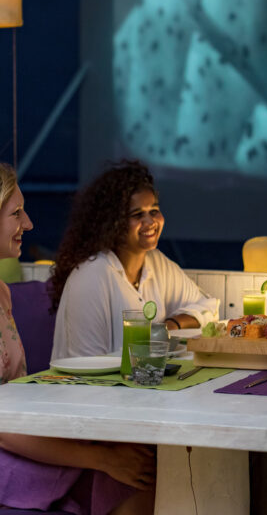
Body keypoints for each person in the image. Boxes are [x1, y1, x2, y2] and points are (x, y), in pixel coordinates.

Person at [0, 163, 155, 514]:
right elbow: (2, 426)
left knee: (142, 471)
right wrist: (101, 456)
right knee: (129, 475)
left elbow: (13, 399)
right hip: (5, 454)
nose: (29, 224)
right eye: (17, 213)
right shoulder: (94, 272)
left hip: (17, 436)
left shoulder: (2, 295)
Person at [51, 160, 218, 359]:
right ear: (112, 222)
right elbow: (86, 365)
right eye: (137, 214)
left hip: (140, 385)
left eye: (154, 211)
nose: (150, 222)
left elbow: (208, 308)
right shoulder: (91, 277)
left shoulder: (157, 263)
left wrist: (170, 325)